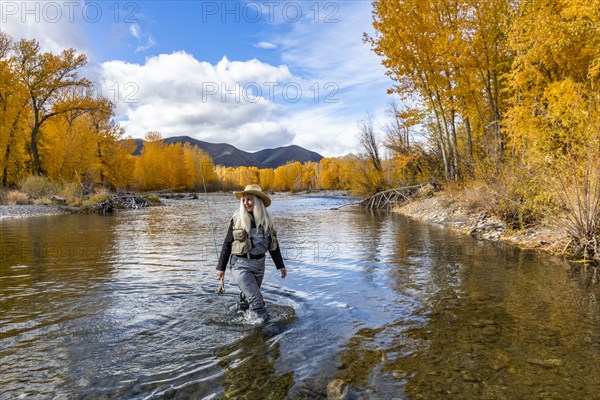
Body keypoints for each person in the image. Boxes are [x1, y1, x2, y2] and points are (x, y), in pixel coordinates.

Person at [216, 184, 287, 321]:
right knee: (257, 301)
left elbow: (274, 246)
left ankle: (236, 316)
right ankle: (265, 329)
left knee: (247, 298)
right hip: (240, 265)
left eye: (249, 199)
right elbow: (227, 243)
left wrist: (280, 265)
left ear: (258, 201)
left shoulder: (267, 221)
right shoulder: (237, 219)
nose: (245, 203)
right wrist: (221, 268)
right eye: (243, 200)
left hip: (259, 266)